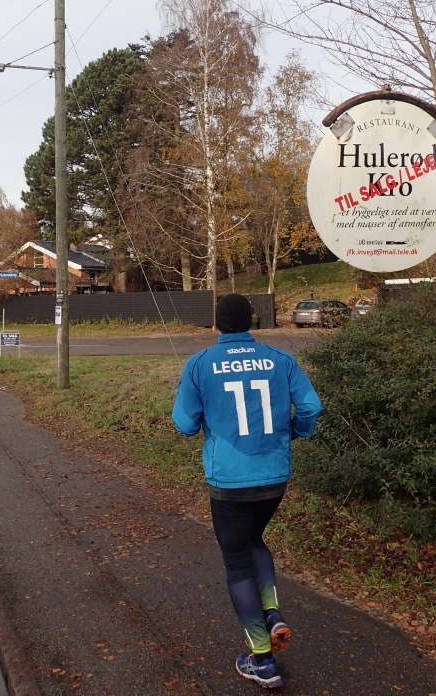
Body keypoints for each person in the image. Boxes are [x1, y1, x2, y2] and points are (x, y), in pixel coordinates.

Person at [171, 293, 322, 689]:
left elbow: (184, 423)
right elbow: (310, 407)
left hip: (230, 482)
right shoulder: (281, 359)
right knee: (255, 539)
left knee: (236, 561)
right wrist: (298, 432)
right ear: (251, 321)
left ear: (217, 324)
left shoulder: (200, 363)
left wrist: (197, 424)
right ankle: (272, 612)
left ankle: (262, 660)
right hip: (275, 476)